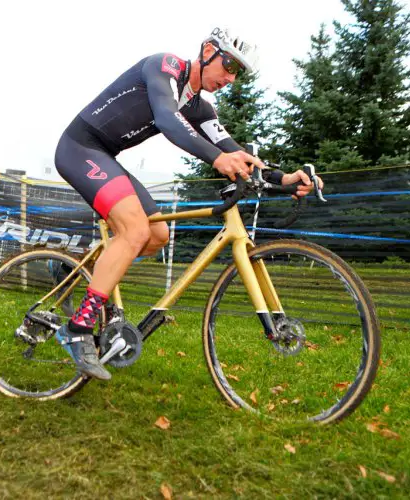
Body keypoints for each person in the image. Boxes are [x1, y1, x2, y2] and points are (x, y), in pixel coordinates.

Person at [53, 28, 322, 380]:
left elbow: (231, 148)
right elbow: (167, 119)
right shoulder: (164, 67)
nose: (229, 77)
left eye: (236, 73)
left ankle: (73, 273)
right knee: (134, 230)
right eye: (227, 65)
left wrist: (283, 179)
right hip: (80, 147)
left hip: (106, 156)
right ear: (208, 50)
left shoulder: (200, 107)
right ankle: (78, 329)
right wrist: (216, 160)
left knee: (156, 235)